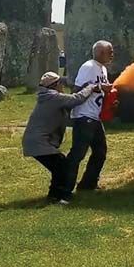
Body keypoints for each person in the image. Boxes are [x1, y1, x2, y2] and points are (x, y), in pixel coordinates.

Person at [21, 72, 99, 203]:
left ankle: (55, 195)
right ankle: (57, 197)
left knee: (59, 166)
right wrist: (91, 87)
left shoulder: (48, 97)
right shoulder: (53, 97)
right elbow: (76, 99)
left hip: (35, 141)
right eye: (61, 83)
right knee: (61, 166)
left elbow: (66, 115)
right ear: (55, 85)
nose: (63, 85)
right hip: (39, 142)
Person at [67, 40, 115, 192]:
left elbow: (100, 92)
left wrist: (109, 102)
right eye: (110, 51)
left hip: (95, 117)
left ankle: (87, 185)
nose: (112, 54)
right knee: (77, 154)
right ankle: (63, 187)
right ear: (100, 52)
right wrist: (98, 87)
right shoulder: (88, 67)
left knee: (100, 152)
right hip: (83, 116)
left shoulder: (103, 70)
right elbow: (76, 90)